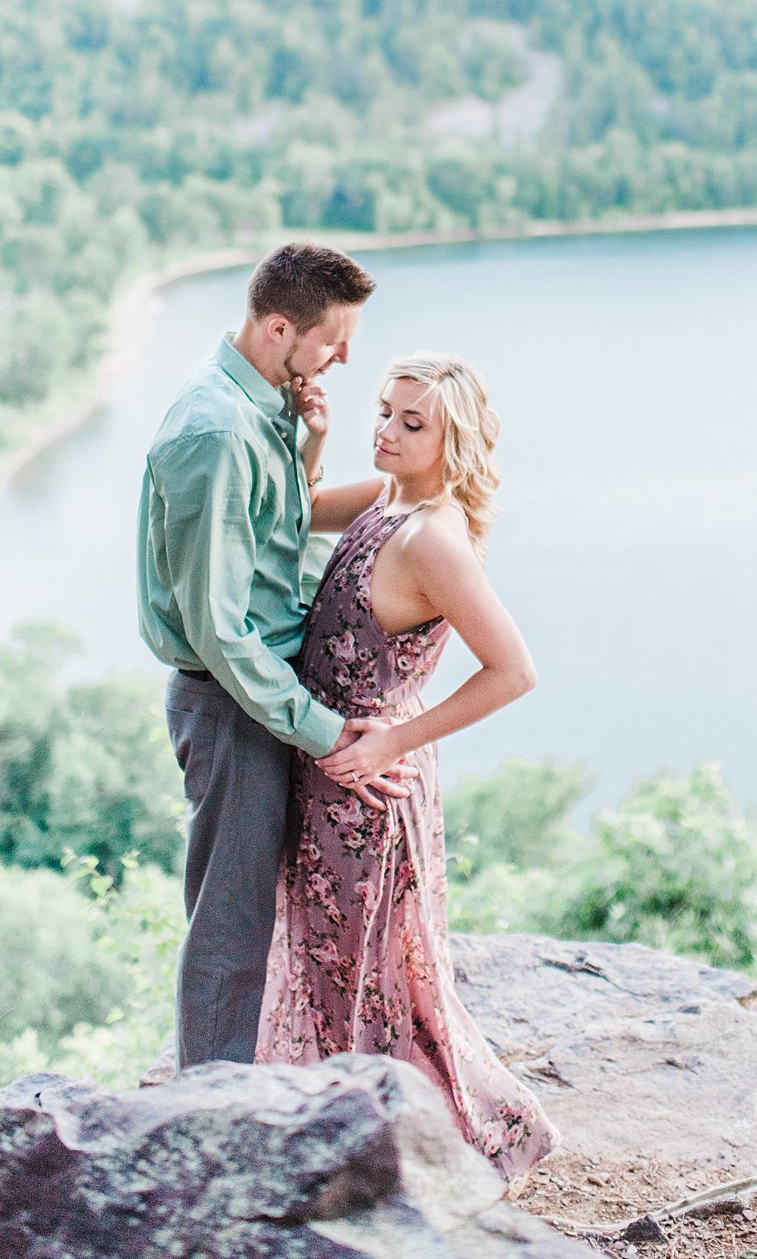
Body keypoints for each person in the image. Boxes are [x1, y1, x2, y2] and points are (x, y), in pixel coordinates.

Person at [256, 351, 560, 1185]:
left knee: (370, 977)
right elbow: (303, 512)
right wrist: (313, 432)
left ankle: (417, 1147)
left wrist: (394, 739)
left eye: (410, 423)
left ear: (450, 440)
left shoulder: (433, 538)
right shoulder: (391, 500)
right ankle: (344, 1131)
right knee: (334, 968)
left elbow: (514, 671)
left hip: (368, 793)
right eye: (384, 412)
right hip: (330, 775)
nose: (386, 431)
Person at [136, 242, 413, 1071]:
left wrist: (312, 446)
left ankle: (242, 1090)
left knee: (256, 911)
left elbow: (269, 538)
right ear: (279, 326)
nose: (345, 357)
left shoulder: (262, 410)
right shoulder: (214, 431)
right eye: (334, 339)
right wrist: (323, 731)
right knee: (231, 923)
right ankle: (212, 1119)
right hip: (232, 706)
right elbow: (220, 629)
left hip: (259, 699)